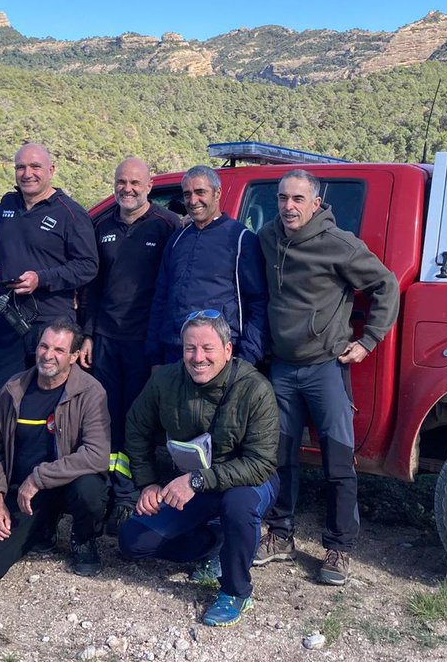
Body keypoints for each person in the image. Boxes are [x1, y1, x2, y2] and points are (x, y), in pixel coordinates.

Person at [252, 170, 399, 585]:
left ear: (316, 203)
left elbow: (386, 285)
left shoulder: (339, 245)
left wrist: (369, 340)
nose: (289, 206)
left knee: (338, 460)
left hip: (325, 368)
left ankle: (338, 548)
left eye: (298, 199)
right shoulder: (267, 238)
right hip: (281, 367)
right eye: (282, 198)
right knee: (279, 456)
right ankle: (280, 536)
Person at [119, 312, 279, 627]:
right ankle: (214, 544)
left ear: (228, 350)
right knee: (133, 541)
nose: (198, 357)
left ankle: (235, 590)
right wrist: (148, 483)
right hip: (194, 484)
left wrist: (195, 480)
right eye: (190, 348)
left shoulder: (255, 389)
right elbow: (136, 428)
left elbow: (261, 462)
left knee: (238, 506)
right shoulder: (165, 380)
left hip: (247, 481)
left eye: (208, 348)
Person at [0, 320, 111, 584]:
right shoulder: (13, 389)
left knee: (90, 489)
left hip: (65, 486)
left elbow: (97, 454)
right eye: (44, 346)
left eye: (59, 350)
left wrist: (39, 478)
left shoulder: (90, 392)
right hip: (21, 494)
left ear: (74, 357)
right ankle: (43, 528)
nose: (48, 355)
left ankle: (84, 540)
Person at [77, 158, 180, 530]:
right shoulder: (100, 225)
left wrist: (163, 346)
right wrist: (87, 333)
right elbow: (92, 285)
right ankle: (102, 491)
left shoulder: (169, 226)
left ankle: (128, 495)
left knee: (138, 422)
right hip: (105, 340)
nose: (128, 188)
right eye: (121, 182)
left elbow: (173, 288)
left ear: (150, 185)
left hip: (144, 342)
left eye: (135, 182)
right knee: (106, 419)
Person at [0, 143, 98, 381]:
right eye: (21, 167)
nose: (27, 174)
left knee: (49, 394)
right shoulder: (6, 206)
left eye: (35, 166)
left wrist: (42, 279)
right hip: (8, 320)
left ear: (51, 170)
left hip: (52, 323)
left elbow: (88, 265)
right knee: (5, 394)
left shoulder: (71, 213)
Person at [145, 165, 268, 367]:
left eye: (200, 192)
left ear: (217, 193)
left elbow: (259, 303)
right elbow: (161, 297)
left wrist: (247, 359)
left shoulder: (241, 239)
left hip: (218, 358)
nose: (193, 201)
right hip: (173, 355)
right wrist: (154, 355)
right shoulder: (177, 239)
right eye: (187, 194)